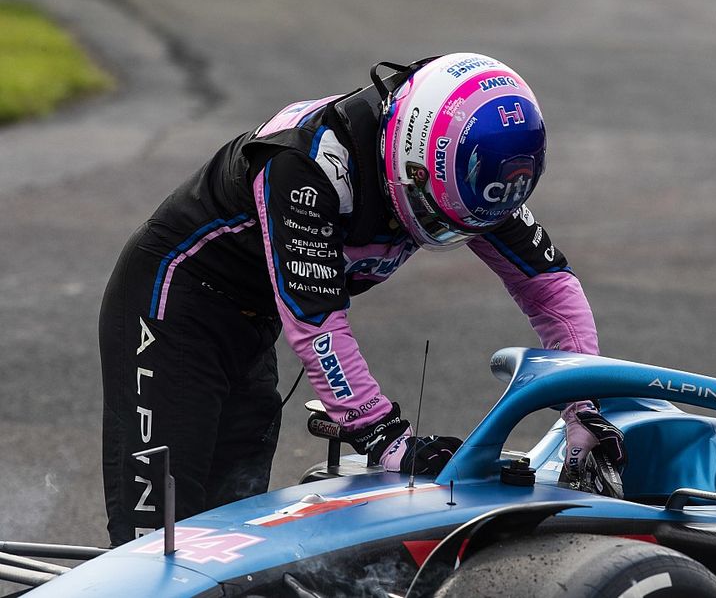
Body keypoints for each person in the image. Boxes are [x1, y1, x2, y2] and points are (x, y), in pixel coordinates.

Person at [99, 53, 626, 545]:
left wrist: (585, 409)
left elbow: (550, 285)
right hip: (169, 307)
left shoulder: (473, 175)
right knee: (161, 534)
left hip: (254, 320)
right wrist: (386, 437)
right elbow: (316, 322)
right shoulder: (303, 164)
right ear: (411, 156)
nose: (440, 230)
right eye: (433, 212)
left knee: (230, 526)